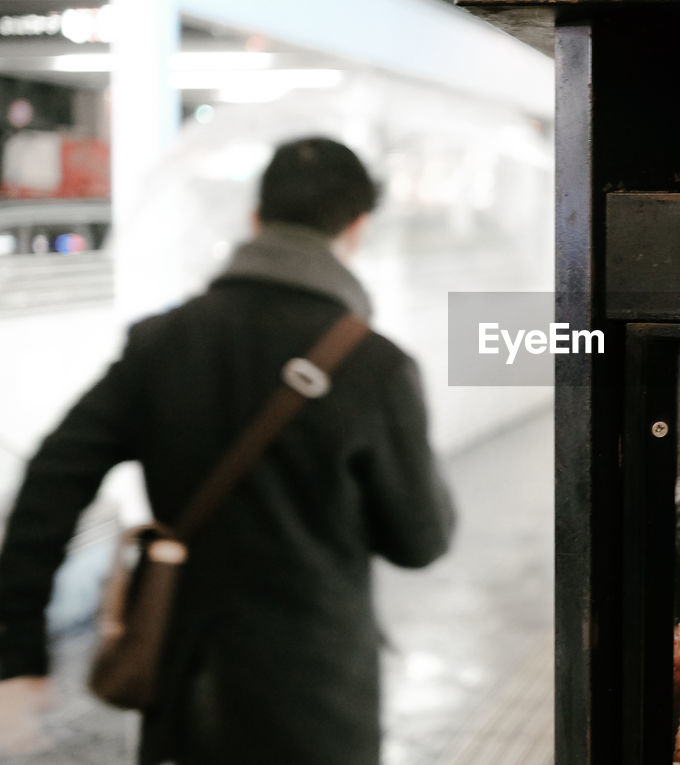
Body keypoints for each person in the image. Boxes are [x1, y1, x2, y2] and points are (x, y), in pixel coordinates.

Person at [0, 136, 456, 764]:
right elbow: (420, 540)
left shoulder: (161, 344)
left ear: (255, 218)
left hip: (186, 688)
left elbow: (51, 480)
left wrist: (19, 648)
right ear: (356, 228)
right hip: (319, 699)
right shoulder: (375, 367)